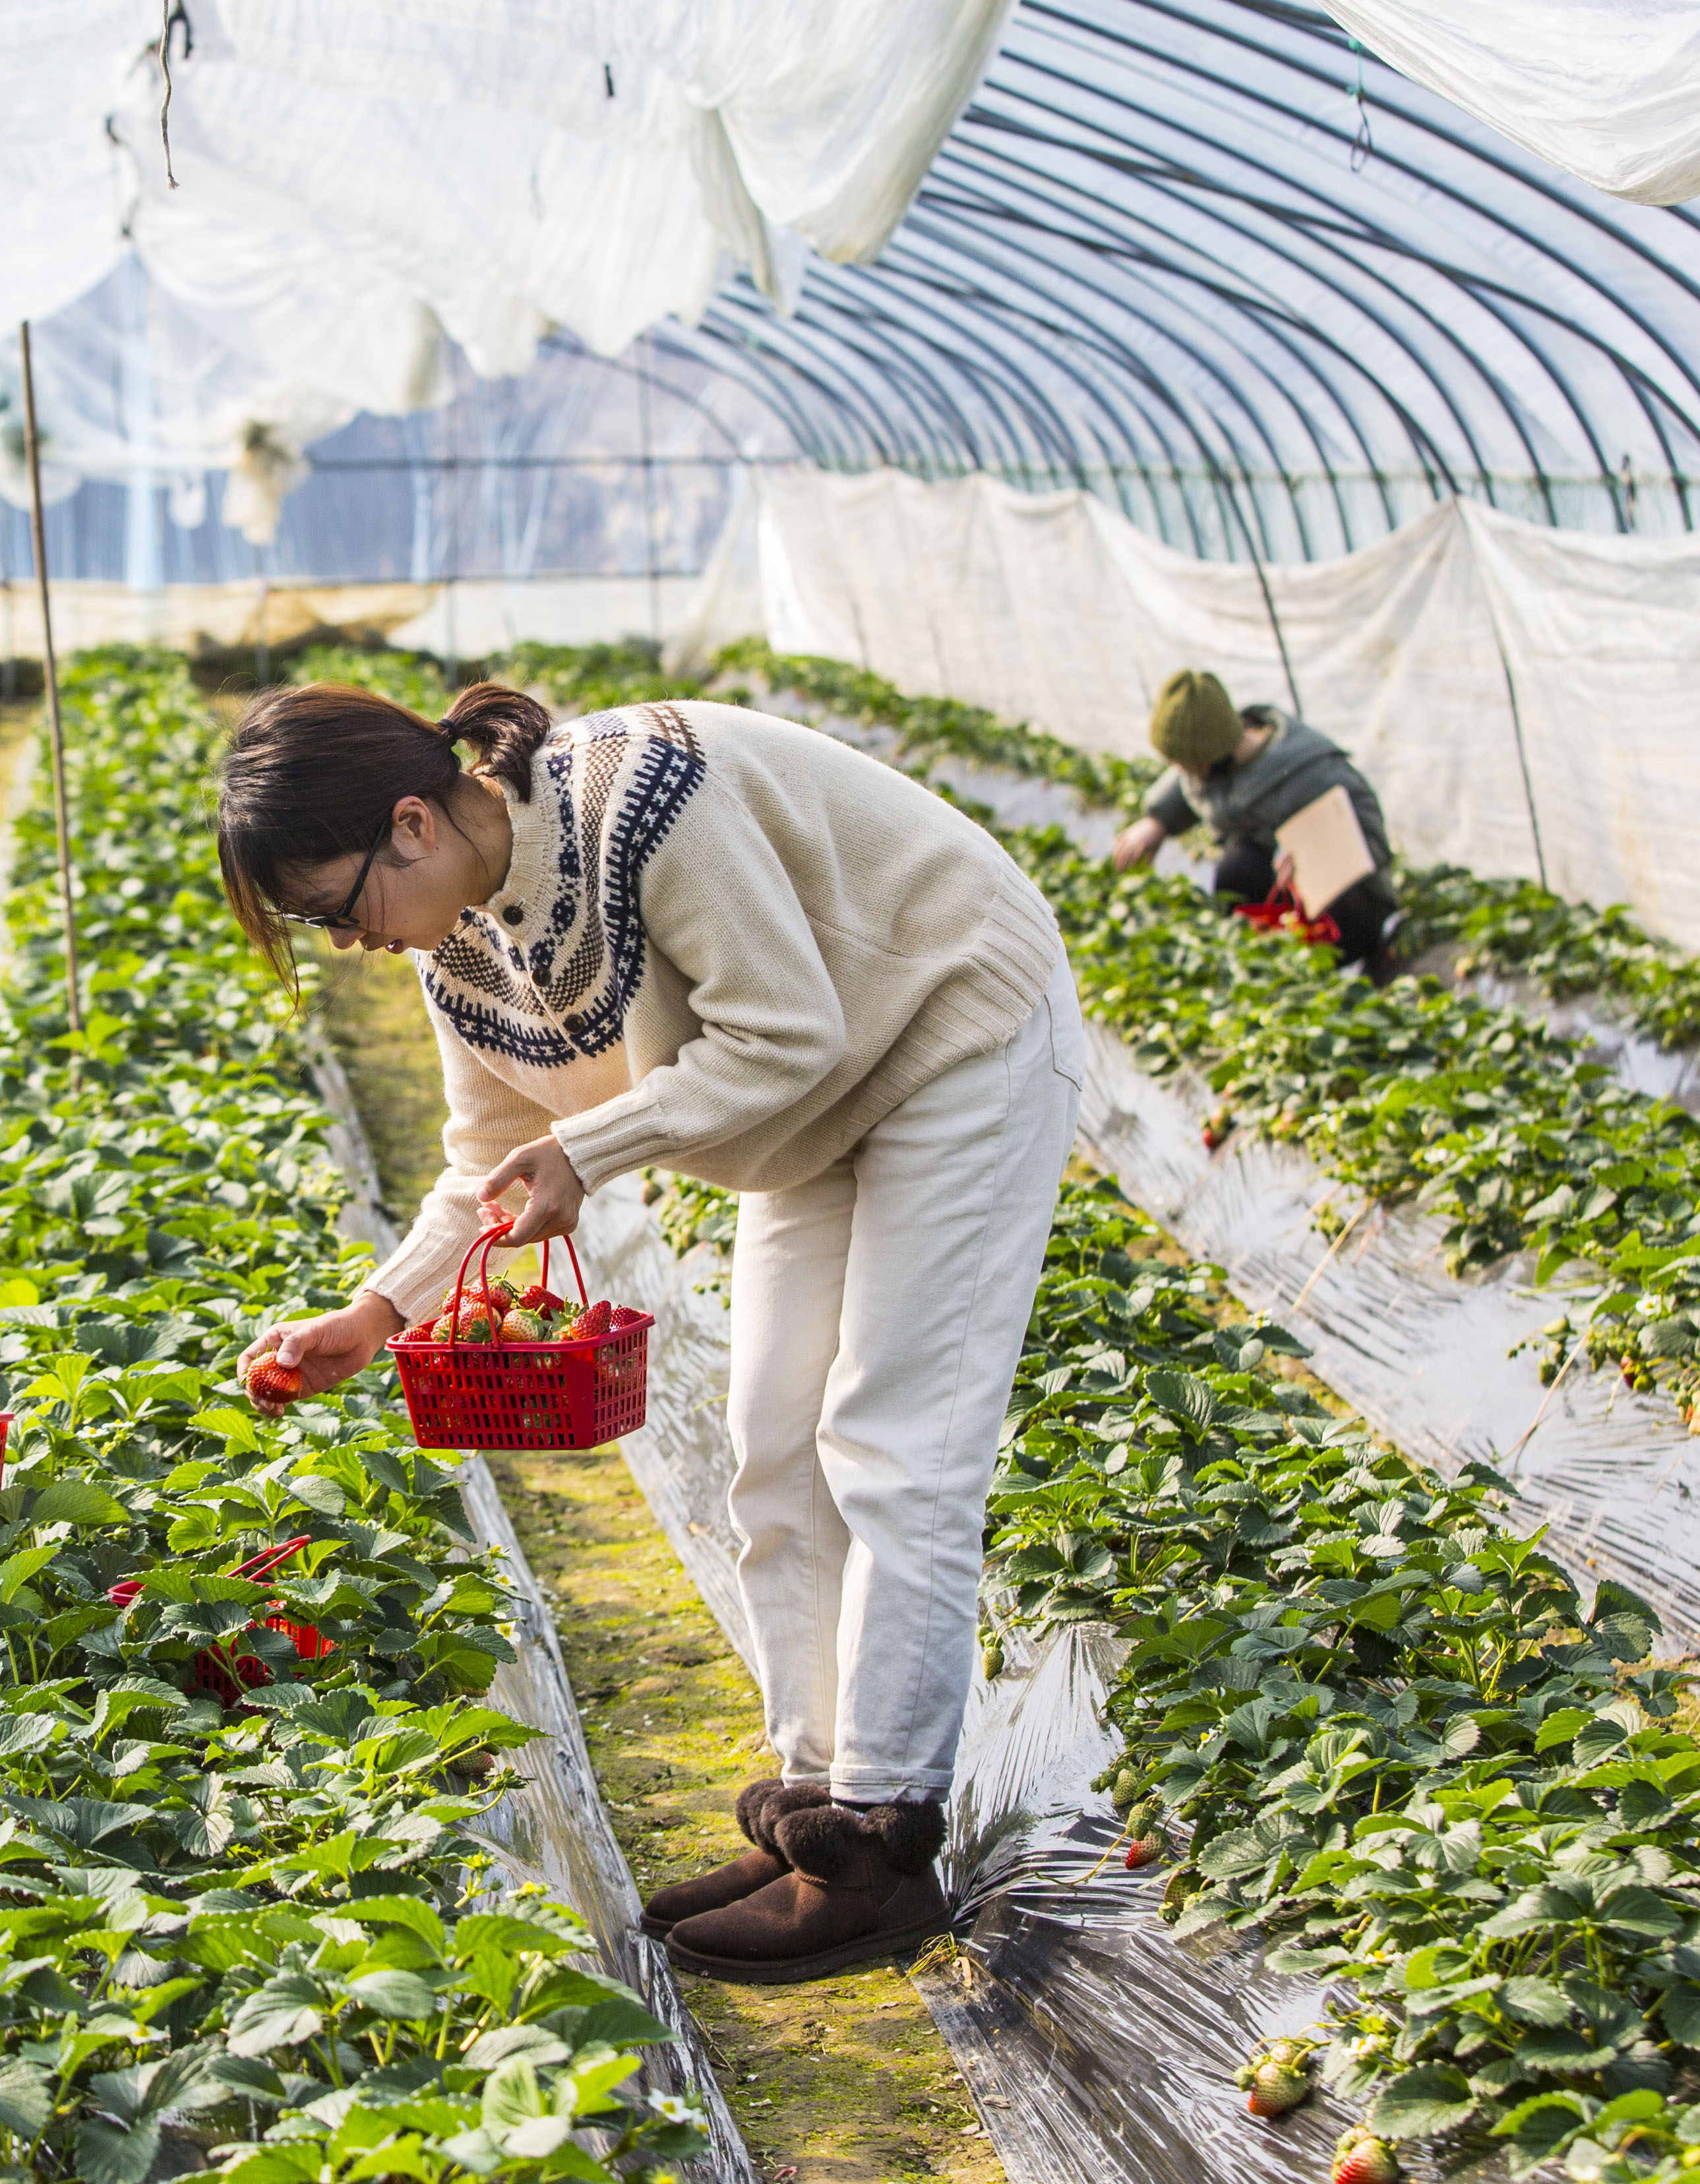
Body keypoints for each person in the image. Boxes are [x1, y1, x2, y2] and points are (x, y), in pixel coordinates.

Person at [220, 679, 1087, 1985]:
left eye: (334, 910)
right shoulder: (456, 941)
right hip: (820, 1107)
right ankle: (817, 1811)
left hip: (954, 1027)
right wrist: (381, 1306)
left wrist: (599, 1142)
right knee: (771, 1444)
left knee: (892, 1439)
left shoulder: (643, 792)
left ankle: (886, 1841)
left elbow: (788, 1030)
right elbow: (492, 1157)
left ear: (409, 824)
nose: (347, 943)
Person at [1108, 668, 1398, 976]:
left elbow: (1372, 840)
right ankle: (1266, 962)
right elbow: (1190, 788)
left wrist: (1314, 855)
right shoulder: (1216, 762)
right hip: (1285, 884)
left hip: (1350, 899)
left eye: (1181, 764)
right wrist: (1158, 822)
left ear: (1206, 759)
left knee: (1341, 919)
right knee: (1236, 873)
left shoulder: (1308, 771)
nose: (1177, 770)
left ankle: (1319, 975)